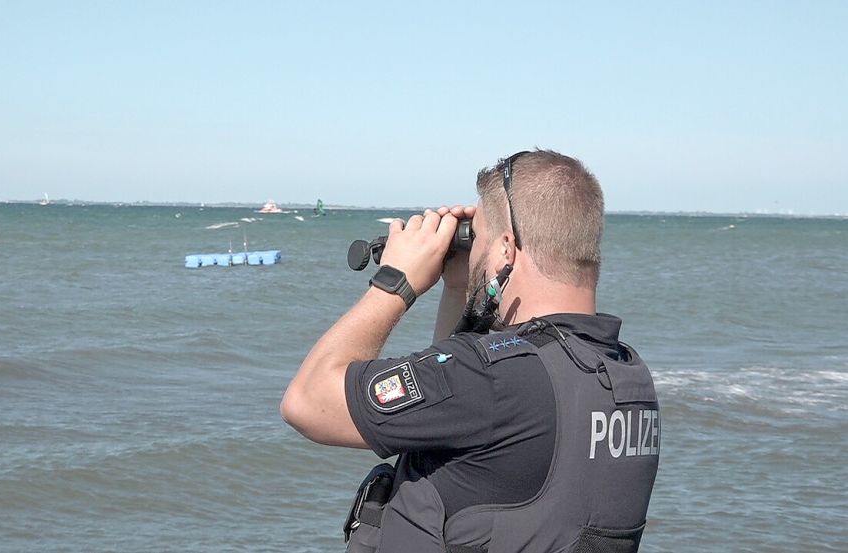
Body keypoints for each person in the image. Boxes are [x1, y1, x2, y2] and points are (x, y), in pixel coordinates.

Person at [281, 149, 660, 553]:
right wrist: (460, 285)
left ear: (506, 249)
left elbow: (306, 402)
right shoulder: (625, 376)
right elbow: (455, 412)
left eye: (478, 238)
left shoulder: (491, 380)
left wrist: (396, 280)